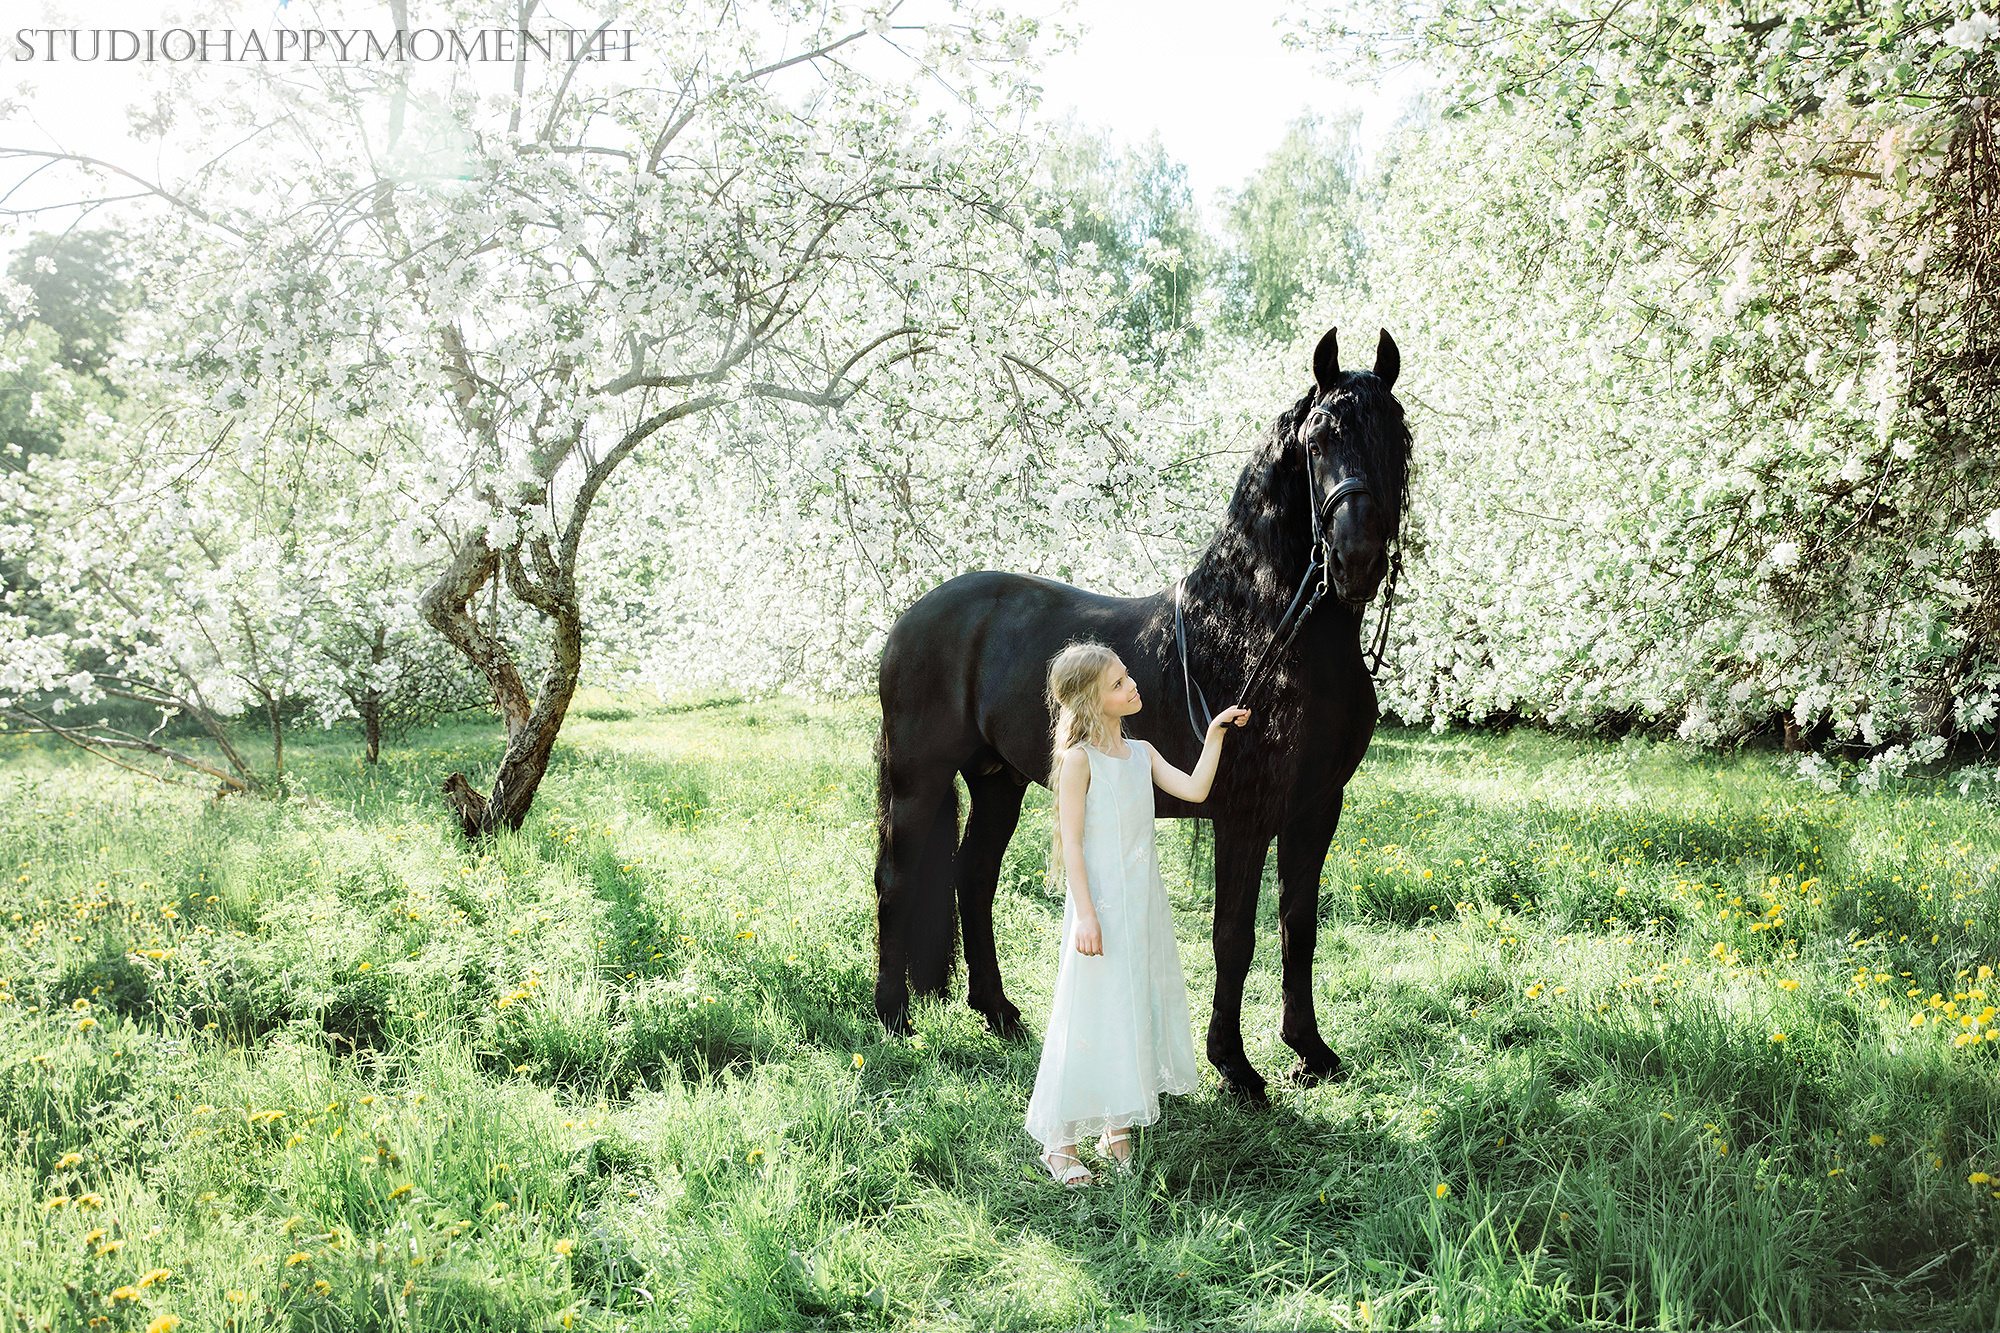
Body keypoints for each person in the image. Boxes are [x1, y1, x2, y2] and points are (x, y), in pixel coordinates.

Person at [1026, 641, 1250, 1187]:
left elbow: (1196, 790)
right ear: (1091, 701)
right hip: (1098, 907)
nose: (1132, 687)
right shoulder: (1080, 762)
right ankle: (1060, 1141)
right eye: (1118, 684)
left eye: (1127, 677)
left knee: (1131, 1002)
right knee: (1090, 1008)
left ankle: (1117, 1123)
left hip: (1142, 903)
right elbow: (1072, 845)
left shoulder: (1143, 752)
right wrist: (1084, 914)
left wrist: (1215, 733)